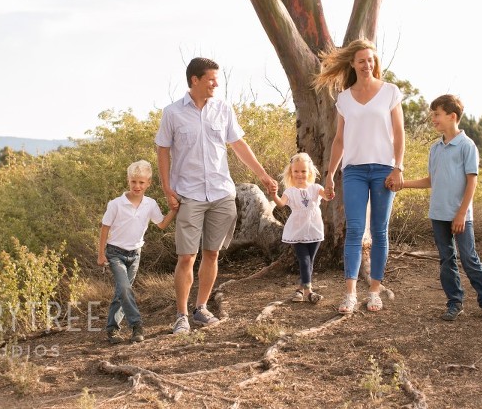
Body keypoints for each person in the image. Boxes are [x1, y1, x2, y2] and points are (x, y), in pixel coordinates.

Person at [155, 57, 278, 335]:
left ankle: (201, 308)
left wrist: (263, 175)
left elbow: (238, 144)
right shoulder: (172, 113)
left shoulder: (223, 109)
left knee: (212, 254)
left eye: (216, 79)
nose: (215, 84)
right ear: (194, 80)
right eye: (210, 79)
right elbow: (162, 150)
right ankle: (181, 315)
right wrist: (166, 188)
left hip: (222, 194)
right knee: (187, 256)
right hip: (189, 195)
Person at [314, 38, 405, 314]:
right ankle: (350, 294)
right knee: (354, 230)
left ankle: (374, 291)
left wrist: (398, 167)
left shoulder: (390, 92)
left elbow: (399, 133)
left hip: (383, 170)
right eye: (362, 60)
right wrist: (330, 174)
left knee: (379, 231)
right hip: (353, 170)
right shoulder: (343, 98)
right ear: (353, 63)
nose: (367, 64)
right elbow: (339, 139)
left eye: (371, 60)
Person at [400, 94, 482, 322]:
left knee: (468, 258)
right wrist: (403, 185)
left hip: (460, 215)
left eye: (437, 114)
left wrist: (461, 214)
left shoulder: (467, 146)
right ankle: (454, 302)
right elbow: (431, 180)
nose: (433, 119)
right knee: (446, 259)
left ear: (452, 116)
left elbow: (472, 182)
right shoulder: (435, 149)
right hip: (438, 214)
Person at [98, 160, 178, 344]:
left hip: (135, 254)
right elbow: (104, 228)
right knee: (125, 289)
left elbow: (162, 224)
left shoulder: (150, 204)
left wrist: (174, 210)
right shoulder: (116, 204)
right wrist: (101, 254)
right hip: (115, 253)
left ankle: (111, 330)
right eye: (134, 182)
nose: (137, 186)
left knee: (122, 292)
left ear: (148, 183)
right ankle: (137, 326)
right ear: (128, 181)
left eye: (142, 182)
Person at [269, 152, 332, 303]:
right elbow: (281, 204)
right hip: (297, 231)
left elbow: (327, 196)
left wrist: (330, 190)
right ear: (291, 172)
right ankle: (309, 291)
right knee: (304, 260)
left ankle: (299, 289)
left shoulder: (316, 188)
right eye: (296, 171)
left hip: (314, 229)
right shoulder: (290, 191)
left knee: (310, 261)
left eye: (303, 171)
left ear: (309, 171)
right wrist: (274, 195)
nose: (299, 174)